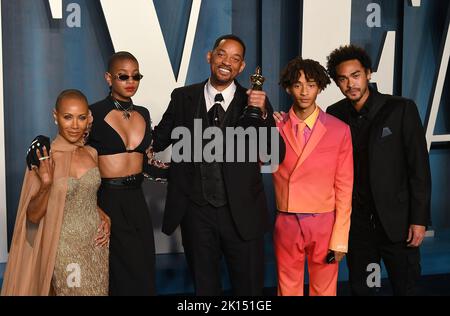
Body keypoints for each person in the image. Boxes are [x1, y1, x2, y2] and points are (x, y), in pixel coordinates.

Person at [151, 34, 284, 295]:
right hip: (196, 213)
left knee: (249, 290)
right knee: (205, 288)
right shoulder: (182, 98)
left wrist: (265, 116)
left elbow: (275, 153)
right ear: (210, 56)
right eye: (222, 54)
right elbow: (158, 139)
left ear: (242, 67)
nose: (227, 62)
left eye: (235, 58)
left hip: (242, 214)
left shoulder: (255, 99)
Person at [325, 45, 431, 295]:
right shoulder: (334, 114)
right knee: (363, 290)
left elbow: (419, 168)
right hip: (358, 226)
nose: (350, 83)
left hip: (398, 224)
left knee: (406, 288)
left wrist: (419, 220)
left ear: (368, 74)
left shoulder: (401, 108)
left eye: (356, 75)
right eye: (343, 79)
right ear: (337, 83)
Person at [1, 89, 110, 296]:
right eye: (68, 117)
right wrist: (46, 184)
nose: (75, 125)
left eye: (81, 117)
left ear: (89, 118)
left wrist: (104, 217)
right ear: (55, 116)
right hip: (64, 250)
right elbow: (32, 216)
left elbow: (84, 197)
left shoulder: (92, 153)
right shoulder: (43, 157)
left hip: (96, 247)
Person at [272, 57, 353, 296]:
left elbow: (345, 187)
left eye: (311, 84)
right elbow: (257, 166)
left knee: (325, 289)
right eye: (297, 85)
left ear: (320, 86)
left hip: (325, 223)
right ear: (288, 88)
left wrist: (340, 239)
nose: (304, 91)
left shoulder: (339, 129)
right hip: (286, 220)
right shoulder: (274, 128)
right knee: (287, 288)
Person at [89, 51, 156, 295]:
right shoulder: (92, 114)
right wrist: (40, 144)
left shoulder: (144, 114)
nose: (130, 81)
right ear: (109, 78)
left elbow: (148, 162)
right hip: (107, 200)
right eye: (123, 76)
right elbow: (71, 149)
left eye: (136, 76)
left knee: (144, 267)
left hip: (136, 199)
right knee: (116, 273)